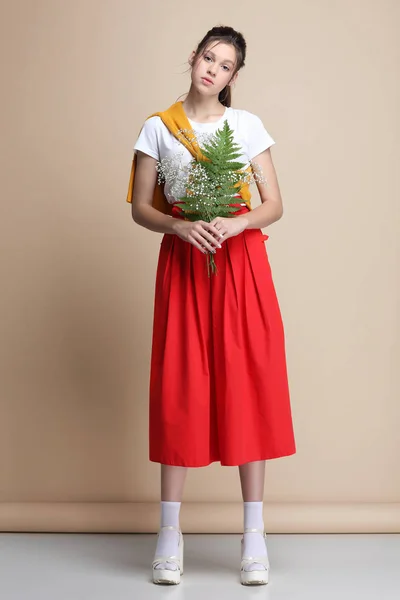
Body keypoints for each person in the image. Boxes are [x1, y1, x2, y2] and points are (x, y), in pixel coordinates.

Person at [127, 25, 296, 586]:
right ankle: (169, 535)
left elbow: (273, 203)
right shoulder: (157, 127)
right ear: (193, 58)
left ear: (233, 77)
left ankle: (254, 538)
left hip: (240, 264)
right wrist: (179, 225)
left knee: (247, 384)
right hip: (184, 266)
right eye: (207, 57)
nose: (213, 70)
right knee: (181, 385)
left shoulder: (246, 126)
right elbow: (141, 209)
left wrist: (237, 220)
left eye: (225, 65)